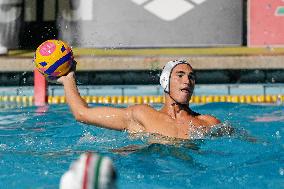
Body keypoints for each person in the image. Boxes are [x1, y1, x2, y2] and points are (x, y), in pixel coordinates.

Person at [58, 59, 221, 140]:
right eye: (180, 75)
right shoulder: (142, 115)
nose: (187, 81)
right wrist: (68, 78)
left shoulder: (208, 123)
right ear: (165, 81)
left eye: (191, 77)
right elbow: (82, 114)